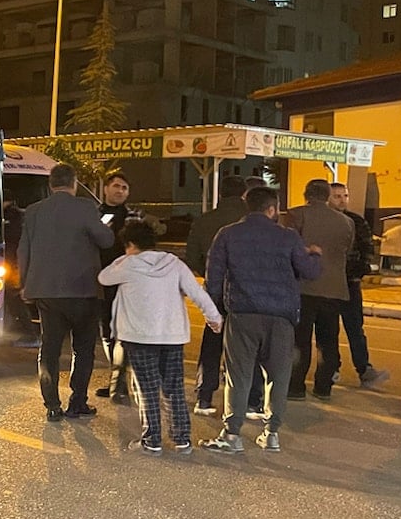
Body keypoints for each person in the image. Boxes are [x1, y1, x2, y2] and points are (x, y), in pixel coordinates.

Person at [201, 186, 321, 454]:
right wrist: (315, 254)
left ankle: (232, 434)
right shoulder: (288, 237)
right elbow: (310, 271)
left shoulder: (227, 234)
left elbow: (214, 277)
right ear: (272, 208)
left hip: (243, 315)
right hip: (281, 317)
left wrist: (213, 312)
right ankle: (271, 433)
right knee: (278, 376)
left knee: (238, 375)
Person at [100, 221, 223, 455]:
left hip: (139, 337)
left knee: (146, 389)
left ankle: (152, 441)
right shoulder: (173, 263)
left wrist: (124, 258)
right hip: (172, 336)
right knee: (174, 387)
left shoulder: (127, 265)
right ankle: (182, 440)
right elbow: (197, 292)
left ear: (130, 244)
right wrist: (213, 318)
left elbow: (103, 278)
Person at [18, 163, 115, 422]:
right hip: (83, 290)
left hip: (46, 292)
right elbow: (106, 240)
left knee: (49, 348)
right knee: (83, 349)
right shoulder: (85, 207)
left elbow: (23, 250)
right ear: (74, 183)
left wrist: (24, 283)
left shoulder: (34, 211)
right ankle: (77, 402)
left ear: (50, 185)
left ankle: (52, 404)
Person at [184, 175, 262, 417]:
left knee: (212, 341)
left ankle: (204, 396)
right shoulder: (251, 222)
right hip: (247, 291)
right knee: (248, 345)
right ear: (244, 195)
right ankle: (252, 399)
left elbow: (192, 257)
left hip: (215, 291)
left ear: (220, 194)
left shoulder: (205, 220)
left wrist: (209, 274)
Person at [94, 173, 164, 403]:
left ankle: (121, 380)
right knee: (108, 329)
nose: (120, 191)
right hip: (103, 279)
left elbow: (152, 238)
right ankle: (117, 379)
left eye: (124, 187)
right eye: (116, 186)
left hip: (129, 281)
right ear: (105, 189)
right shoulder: (94, 214)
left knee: (125, 330)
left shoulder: (135, 216)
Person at [282, 179, 354, 401]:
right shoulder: (346, 222)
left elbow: (286, 247)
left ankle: (295, 387)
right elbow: (348, 249)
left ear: (306, 194)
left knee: (300, 341)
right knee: (328, 340)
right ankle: (323, 387)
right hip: (334, 288)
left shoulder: (295, 215)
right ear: (327, 196)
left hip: (303, 287)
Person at [328, 182, 389, 388]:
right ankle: (330, 368)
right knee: (328, 329)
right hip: (328, 284)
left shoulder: (356, 221)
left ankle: (364, 369)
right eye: (336, 196)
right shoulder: (324, 221)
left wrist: (359, 271)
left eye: (344, 195)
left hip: (350, 283)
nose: (342, 200)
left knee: (355, 328)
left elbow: (367, 249)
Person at [2, 189, 35, 344]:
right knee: (12, 296)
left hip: (13, 262)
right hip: (16, 261)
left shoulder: (12, 216)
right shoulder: (20, 214)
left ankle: (30, 333)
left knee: (14, 296)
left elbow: (12, 239)